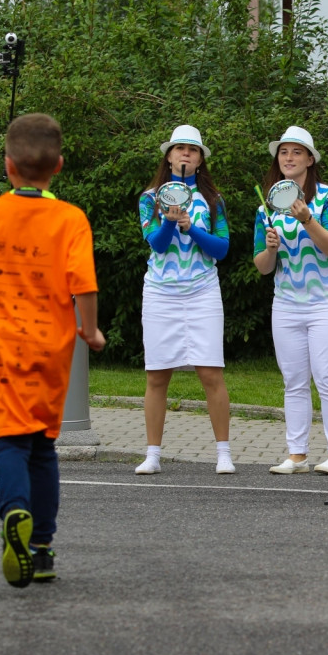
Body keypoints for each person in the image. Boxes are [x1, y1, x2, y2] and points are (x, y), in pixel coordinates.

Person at [0, 113, 105, 587]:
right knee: (43, 446)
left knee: (10, 440)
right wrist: (90, 332)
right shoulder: (70, 218)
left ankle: (13, 512)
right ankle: (41, 549)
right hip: (52, 352)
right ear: (58, 166)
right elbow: (84, 285)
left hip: (4, 349)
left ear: (7, 166)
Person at [253, 126, 328, 476]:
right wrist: (269, 249)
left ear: (310, 160)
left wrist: (307, 219)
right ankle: (297, 455)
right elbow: (264, 269)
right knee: (293, 380)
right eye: (284, 152)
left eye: (297, 152)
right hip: (287, 303)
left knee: (327, 376)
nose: (289, 158)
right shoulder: (268, 204)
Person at [134, 125, 233, 476]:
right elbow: (157, 244)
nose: (186, 154)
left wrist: (193, 229)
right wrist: (169, 223)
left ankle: (223, 453)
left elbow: (221, 248)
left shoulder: (213, 199)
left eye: (193, 149)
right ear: (169, 156)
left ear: (201, 158)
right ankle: (153, 455)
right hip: (161, 292)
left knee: (210, 372)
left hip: (203, 290)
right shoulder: (150, 197)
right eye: (180, 148)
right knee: (157, 374)